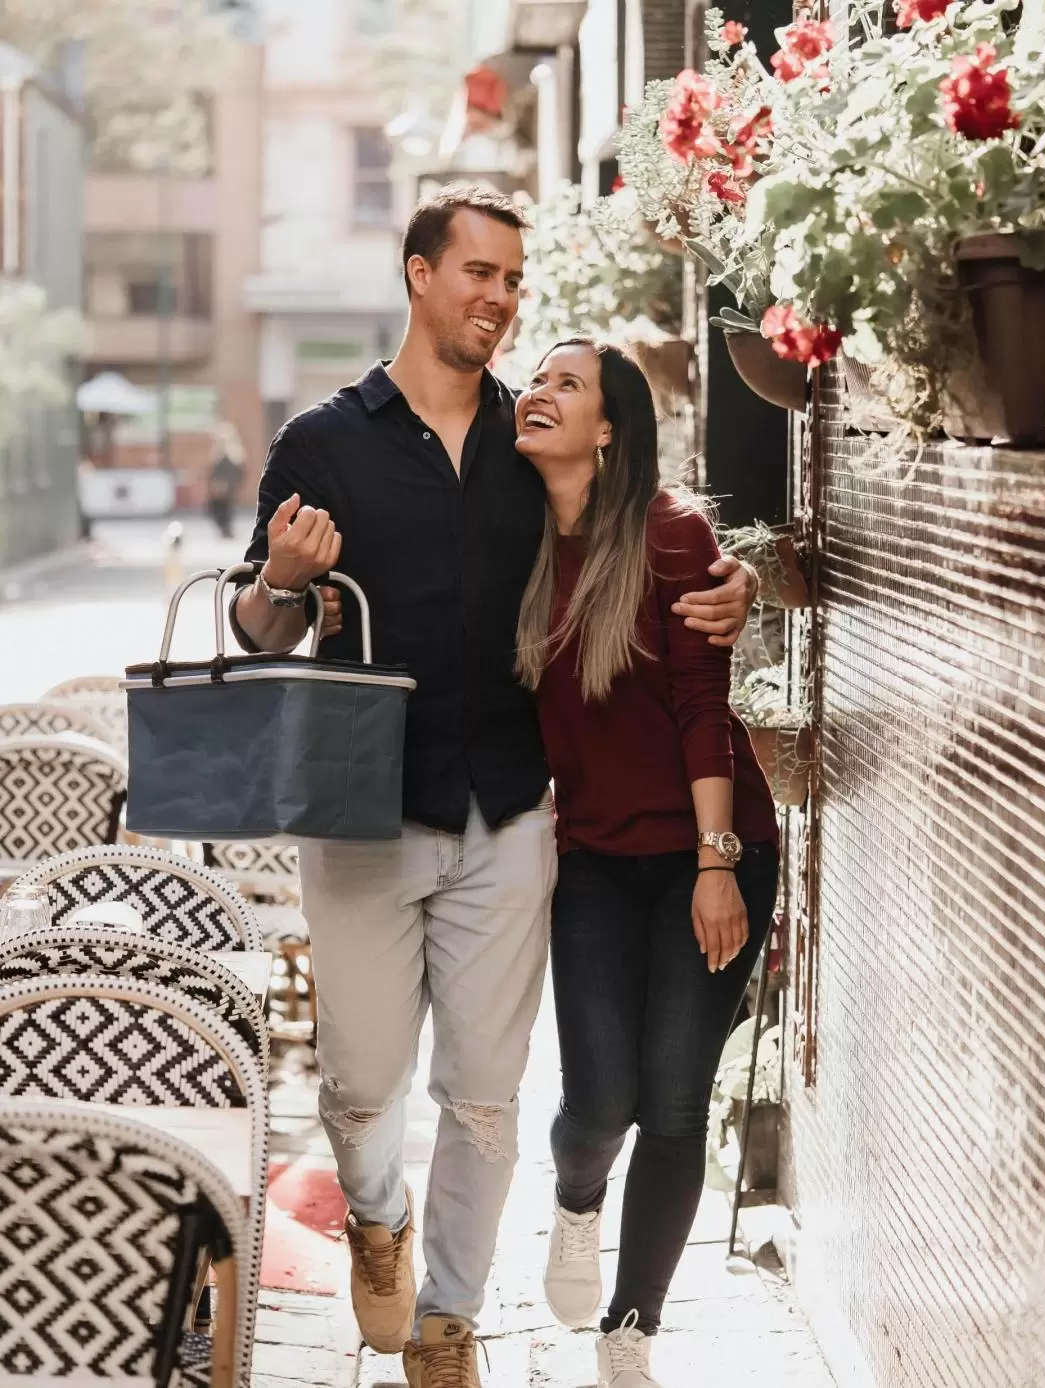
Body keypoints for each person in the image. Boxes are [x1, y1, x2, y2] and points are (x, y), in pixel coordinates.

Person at [230, 185, 758, 1388]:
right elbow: (260, 628)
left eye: (515, 281)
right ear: (419, 275)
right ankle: (375, 1217)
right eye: (480, 274)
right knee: (364, 1087)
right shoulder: (324, 441)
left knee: (484, 1092)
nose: (501, 300)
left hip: (512, 811)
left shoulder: (535, 440)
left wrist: (735, 592)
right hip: (362, 808)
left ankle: (450, 1319)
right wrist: (279, 577)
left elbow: (641, 529)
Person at [513, 338, 780, 1388]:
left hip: (710, 852)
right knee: (597, 1104)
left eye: (565, 383)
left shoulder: (669, 532)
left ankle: (632, 1327)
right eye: (535, 378)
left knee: (673, 1101)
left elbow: (703, 706)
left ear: (611, 427)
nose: (538, 391)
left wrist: (717, 864)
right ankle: (577, 1200)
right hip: (592, 858)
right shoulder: (512, 535)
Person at [206, 422, 246, 538]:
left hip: (227, 486)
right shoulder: (217, 454)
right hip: (219, 486)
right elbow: (212, 471)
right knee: (217, 508)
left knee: (226, 508)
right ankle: (224, 529)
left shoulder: (233, 455)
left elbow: (237, 472)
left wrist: (227, 484)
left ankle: (226, 530)